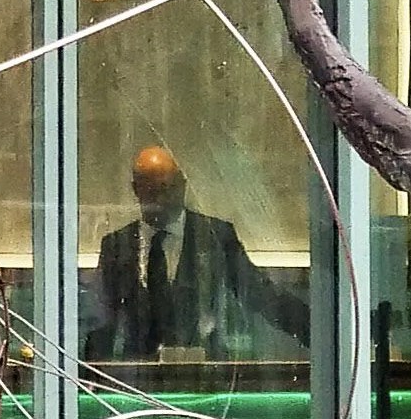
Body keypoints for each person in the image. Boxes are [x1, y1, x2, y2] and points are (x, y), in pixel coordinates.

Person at [85, 142, 307, 366]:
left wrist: (316, 330)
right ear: (136, 190)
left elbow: (258, 293)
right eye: (152, 192)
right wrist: (89, 374)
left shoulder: (215, 236)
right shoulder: (116, 245)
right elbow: (104, 320)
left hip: (207, 368)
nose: (161, 200)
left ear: (182, 186)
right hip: (139, 371)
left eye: (168, 189)